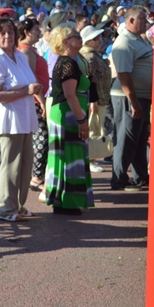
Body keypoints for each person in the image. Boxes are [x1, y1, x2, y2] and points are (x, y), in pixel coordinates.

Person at [0, 17, 42, 222]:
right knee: (11, 165)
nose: (7, 36)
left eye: (10, 32)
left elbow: (29, 82)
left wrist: (35, 91)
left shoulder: (19, 55)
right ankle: (5, 208)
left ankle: (18, 205)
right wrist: (26, 91)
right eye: (2, 32)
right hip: (9, 120)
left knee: (25, 164)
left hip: (25, 117)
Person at [44, 22, 94, 215]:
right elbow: (70, 94)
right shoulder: (68, 63)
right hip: (68, 113)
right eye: (76, 36)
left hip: (66, 111)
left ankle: (62, 200)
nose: (80, 38)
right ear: (65, 42)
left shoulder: (68, 61)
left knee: (64, 155)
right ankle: (68, 201)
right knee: (70, 156)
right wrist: (82, 120)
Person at [110, 6, 151, 191]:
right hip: (128, 97)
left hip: (141, 96)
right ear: (131, 20)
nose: (146, 22)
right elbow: (123, 74)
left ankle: (141, 176)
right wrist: (133, 101)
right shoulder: (124, 42)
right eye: (143, 19)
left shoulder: (139, 40)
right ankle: (118, 179)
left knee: (140, 139)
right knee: (126, 138)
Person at [16, 18, 50, 193]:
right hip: (35, 101)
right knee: (42, 137)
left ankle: (38, 174)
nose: (39, 32)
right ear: (27, 32)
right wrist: (42, 101)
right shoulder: (26, 51)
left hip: (37, 99)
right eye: (36, 29)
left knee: (41, 137)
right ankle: (36, 177)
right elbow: (31, 79)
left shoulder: (30, 50)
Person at [79, 25, 111, 173]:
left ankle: (90, 159)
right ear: (87, 41)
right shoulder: (89, 56)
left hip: (100, 98)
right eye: (95, 38)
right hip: (95, 100)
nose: (99, 40)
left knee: (95, 128)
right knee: (93, 129)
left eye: (99, 37)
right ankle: (89, 160)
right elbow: (88, 80)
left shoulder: (94, 54)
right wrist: (93, 101)